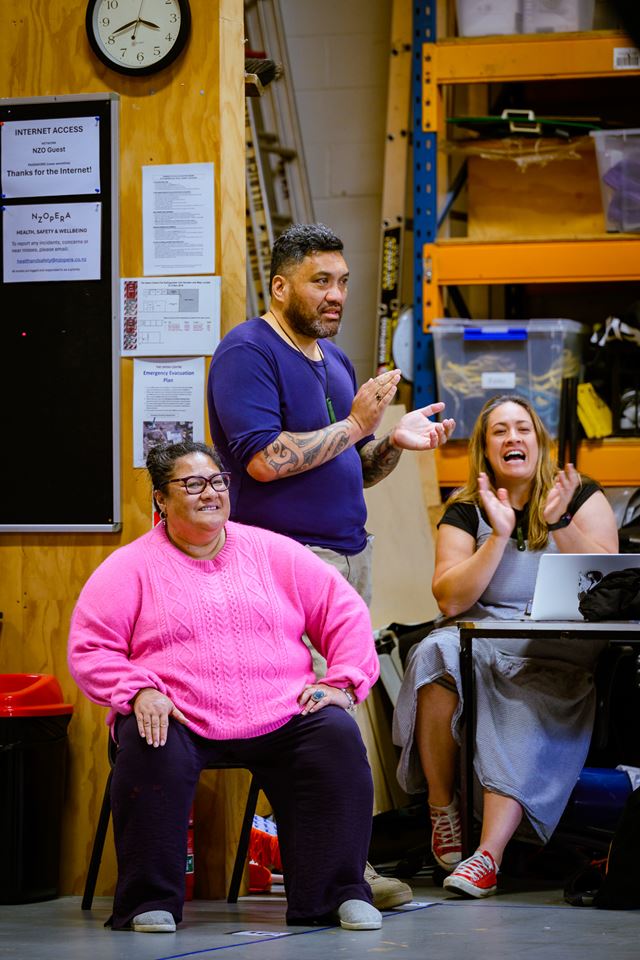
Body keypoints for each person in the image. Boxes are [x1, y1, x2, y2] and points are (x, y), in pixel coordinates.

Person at [208, 222, 455, 908]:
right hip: (285, 564)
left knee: (340, 702)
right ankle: (347, 873)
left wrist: (392, 444)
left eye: (343, 281)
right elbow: (261, 459)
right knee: (324, 715)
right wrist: (353, 425)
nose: (337, 294)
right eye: (321, 280)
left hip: (349, 559)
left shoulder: (336, 363)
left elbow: (347, 468)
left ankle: (340, 865)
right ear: (280, 284)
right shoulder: (246, 353)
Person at [68, 441, 383, 933]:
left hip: (281, 711)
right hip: (180, 715)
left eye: (217, 481)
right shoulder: (128, 568)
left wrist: (342, 682)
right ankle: (149, 899)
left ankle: (336, 892)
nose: (209, 492)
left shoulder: (273, 551)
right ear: (160, 500)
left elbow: (345, 614)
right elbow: (91, 648)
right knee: (146, 737)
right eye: (192, 484)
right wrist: (137, 690)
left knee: (335, 735)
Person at [392, 394, 619, 898]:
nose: (512, 438)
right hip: (482, 638)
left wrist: (559, 524)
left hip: (556, 649)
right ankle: (442, 808)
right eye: (499, 431)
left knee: (521, 703)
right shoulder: (465, 510)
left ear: (539, 442)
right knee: (433, 650)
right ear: (485, 448)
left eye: (522, 429)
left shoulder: (580, 496)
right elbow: (450, 600)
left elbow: (609, 584)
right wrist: (498, 536)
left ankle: (487, 857)